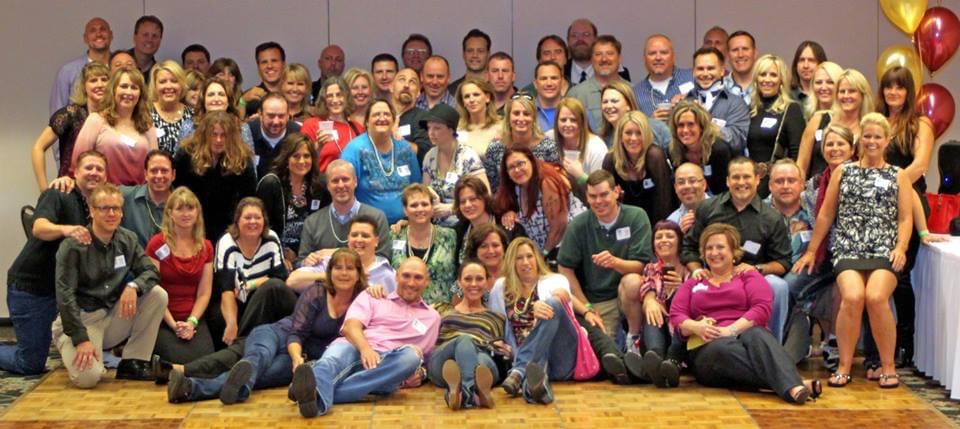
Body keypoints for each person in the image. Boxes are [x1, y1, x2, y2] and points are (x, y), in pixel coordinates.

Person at [794, 113, 912, 388]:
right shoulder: (843, 172)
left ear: (887, 140)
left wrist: (901, 247)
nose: (872, 141)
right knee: (853, 296)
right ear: (860, 140)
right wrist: (812, 250)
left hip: (884, 249)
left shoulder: (899, 175)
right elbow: (826, 214)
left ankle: (888, 366)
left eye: (877, 137)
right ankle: (844, 366)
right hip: (848, 247)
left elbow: (905, 218)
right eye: (867, 136)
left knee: (876, 297)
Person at [167, 248, 367, 404]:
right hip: (278, 335)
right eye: (338, 268)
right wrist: (296, 358)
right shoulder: (316, 292)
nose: (343, 273)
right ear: (329, 272)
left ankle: (190, 389)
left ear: (359, 274)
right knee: (257, 359)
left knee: (260, 376)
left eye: (350, 268)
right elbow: (296, 333)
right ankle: (232, 383)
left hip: (302, 357)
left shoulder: (363, 302)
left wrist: (300, 362)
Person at [671, 223, 821, 403]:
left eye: (720, 247)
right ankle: (794, 383)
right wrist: (696, 327)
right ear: (703, 253)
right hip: (708, 350)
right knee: (721, 348)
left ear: (733, 251)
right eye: (709, 248)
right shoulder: (694, 282)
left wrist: (730, 330)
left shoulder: (749, 276)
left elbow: (761, 309)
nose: (714, 252)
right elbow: (677, 315)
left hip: (746, 338)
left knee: (757, 333)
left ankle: (791, 387)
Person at [289, 257, 441, 418]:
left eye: (418, 277)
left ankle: (313, 387)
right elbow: (350, 327)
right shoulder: (374, 296)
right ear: (396, 276)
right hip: (355, 346)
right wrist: (365, 349)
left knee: (411, 357)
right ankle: (316, 395)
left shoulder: (432, 318)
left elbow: (425, 360)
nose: (411, 283)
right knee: (334, 359)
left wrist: (420, 374)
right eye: (406, 276)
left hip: (386, 366)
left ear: (427, 282)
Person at [1, 151, 106, 375]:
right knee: (30, 364)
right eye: (88, 167)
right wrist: (66, 229)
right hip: (32, 289)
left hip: (63, 292)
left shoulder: (97, 206)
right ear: (75, 172)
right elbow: (39, 228)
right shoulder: (59, 193)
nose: (94, 173)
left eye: (99, 169)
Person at [52, 183, 166, 388]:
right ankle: (66, 341)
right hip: (83, 320)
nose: (111, 214)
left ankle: (133, 362)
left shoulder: (127, 239)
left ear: (122, 212)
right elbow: (65, 296)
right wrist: (81, 339)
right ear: (92, 211)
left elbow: (151, 272)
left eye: (116, 208)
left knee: (157, 295)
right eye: (104, 208)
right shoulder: (72, 246)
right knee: (88, 379)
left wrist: (133, 286)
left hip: (113, 315)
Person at [681, 157, 793, 343]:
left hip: (752, 278)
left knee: (778, 286)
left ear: (757, 179)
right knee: (686, 285)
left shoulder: (772, 218)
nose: (741, 182)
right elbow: (689, 248)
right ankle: (682, 351)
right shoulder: (707, 209)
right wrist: (697, 270)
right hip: (712, 276)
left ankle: (772, 345)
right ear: (727, 181)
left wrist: (757, 269)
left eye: (746, 177)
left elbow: (784, 262)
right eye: (736, 177)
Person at [487, 238, 597, 404]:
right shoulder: (501, 287)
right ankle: (535, 387)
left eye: (529, 256)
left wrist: (540, 305)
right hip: (530, 358)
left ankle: (519, 370)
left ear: (537, 258)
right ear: (511, 262)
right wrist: (498, 343)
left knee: (553, 305)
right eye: (519, 258)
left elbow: (562, 296)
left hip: (561, 355)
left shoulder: (555, 280)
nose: (525, 262)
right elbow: (496, 323)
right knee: (537, 364)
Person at [877, 65, 935, 367]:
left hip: (909, 202)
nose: (893, 92)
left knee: (899, 275)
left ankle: (905, 343)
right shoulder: (876, 121)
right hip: (877, 205)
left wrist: (890, 186)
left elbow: (920, 165)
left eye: (899, 87)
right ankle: (878, 346)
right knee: (877, 273)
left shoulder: (920, 123)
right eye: (888, 86)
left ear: (909, 91)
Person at [558, 170, 654, 347]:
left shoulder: (636, 216)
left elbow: (642, 266)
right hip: (599, 299)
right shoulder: (578, 225)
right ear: (586, 197)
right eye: (593, 196)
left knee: (632, 282)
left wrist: (615, 262)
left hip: (632, 294)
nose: (598, 201)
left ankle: (634, 339)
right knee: (603, 349)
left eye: (604, 195)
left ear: (616, 192)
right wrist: (586, 307)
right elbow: (564, 268)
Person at [213, 198, 298, 348]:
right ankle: (240, 345)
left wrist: (251, 284)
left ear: (264, 220)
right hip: (236, 300)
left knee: (274, 287)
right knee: (220, 317)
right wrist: (232, 324)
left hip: (265, 298)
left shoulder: (271, 239)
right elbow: (227, 290)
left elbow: (280, 279)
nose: (253, 222)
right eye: (247, 217)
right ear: (237, 221)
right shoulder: (227, 243)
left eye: (257, 217)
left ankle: (241, 345)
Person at [146, 187, 215, 364]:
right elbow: (153, 290)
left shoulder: (206, 247)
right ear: (170, 213)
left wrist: (191, 322)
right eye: (180, 209)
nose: (186, 214)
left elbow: (204, 293)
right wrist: (173, 324)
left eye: (190, 208)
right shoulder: (156, 244)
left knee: (205, 361)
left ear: (197, 212)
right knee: (178, 360)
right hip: (162, 317)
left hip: (193, 317)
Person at [428, 259, 503, 410]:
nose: (473, 284)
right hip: (444, 363)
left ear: (487, 283)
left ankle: (459, 393)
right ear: (459, 283)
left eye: (479, 279)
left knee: (481, 362)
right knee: (464, 341)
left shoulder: (496, 318)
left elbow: (501, 350)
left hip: (482, 359)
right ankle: (472, 393)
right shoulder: (442, 310)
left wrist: (505, 349)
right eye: (468, 279)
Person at [173, 111, 257, 241]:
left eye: (224, 135)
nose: (218, 140)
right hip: (190, 223)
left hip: (228, 228)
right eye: (214, 134)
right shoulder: (186, 155)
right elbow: (177, 192)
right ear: (204, 134)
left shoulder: (243, 161)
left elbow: (247, 200)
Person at [71, 67, 158, 185]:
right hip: (103, 192)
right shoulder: (96, 120)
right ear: (113, 90)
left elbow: (154, 165)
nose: (128, 92)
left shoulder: (148, 127)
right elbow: (78, 162)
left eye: (134, 88)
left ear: (140, 94)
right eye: (124, 86)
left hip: (139, 194)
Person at [340, 99, 421, 224]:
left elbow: (416, 188)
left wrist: (411, 220)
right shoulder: (354, 150)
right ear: (367, 122)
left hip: (404, 224)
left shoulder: (405, 148)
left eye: (386, 114)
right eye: (376, 114)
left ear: (393, 121)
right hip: (367, 225)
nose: (382, 118)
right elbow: (344, 189)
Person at [257, 134, 330, 270]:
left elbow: (323, 226)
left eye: (306, 156)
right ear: (286, 158)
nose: (302, 161)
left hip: (308, 252)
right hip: (273, 252)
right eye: (296, 156)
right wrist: (280, 253)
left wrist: (301, 253)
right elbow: (262, 227)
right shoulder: (271, 184)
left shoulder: (320, 185)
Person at [297, 160, 392, 263]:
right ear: (328, 186)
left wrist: (337, 253)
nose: (341, 185)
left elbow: (384, 258)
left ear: (355, 182)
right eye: (335, 181)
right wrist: (306, 261)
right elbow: (300, 261)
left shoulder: (377, 218)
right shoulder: (312, 222)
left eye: (345, 179)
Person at [34, 62, 109, 190]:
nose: (100, 84)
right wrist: (44, 189)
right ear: (84, 86)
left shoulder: (115, 117)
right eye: (93, 80)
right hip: (70, 188)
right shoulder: (70, 114)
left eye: (104, 80)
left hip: (104, 189)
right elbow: (38, 147)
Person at [496, 148, 580, 254]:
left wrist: (544, 254)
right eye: (511, 167)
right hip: (541, 251)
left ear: (531, 162)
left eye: (520, 164)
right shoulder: (518, 188)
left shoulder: (547, 183)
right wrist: (510, 213)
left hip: (567, 247)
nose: (517, 170)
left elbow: (559, 227)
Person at [290, 215, 396, 294]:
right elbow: (292, 281)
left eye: (365, 236)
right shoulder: (330, 261)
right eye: (354, 235)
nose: (359, 240)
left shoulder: (388, 273)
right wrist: (332, 276)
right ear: (348, 239)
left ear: (376, 241)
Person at [797, 68, 874, 178]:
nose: (846, 96)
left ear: (862, 95)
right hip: (816, 186)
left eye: (851, 91)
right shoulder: (819, 119)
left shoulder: (868, 128)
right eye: (842, 91)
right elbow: (801, 165)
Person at [389, 184, 458, 305]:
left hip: (441, 309)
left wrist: (455, 303)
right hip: (400, 308)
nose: (420, 209)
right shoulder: (394, 235)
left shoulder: (450, 236)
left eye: (425, 204)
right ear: (405, 210)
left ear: (432, 208)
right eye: (414, 205)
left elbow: (460, 275)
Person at [747, 54, 805, 197]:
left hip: (779, 184)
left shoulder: (791, 109)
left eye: (773, 75)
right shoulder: (750, 110)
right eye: (763, 74)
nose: (767, 79)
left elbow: (797, 154)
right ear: (756, 79)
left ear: (781, 80)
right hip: (751, 183)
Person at [420, 104, 487, 226]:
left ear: (451, 130)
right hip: (437, 224)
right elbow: (425, 193)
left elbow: (485, 195)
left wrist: (452, 208)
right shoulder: (430, 156)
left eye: (437, 128)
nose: (431, 133)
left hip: (465, 221)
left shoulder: (467, 156)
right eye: (429, 128)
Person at [638, 220, 687, 387]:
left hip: (683, 333)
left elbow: (698, 301)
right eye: (658, 237)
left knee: (679, 310)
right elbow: (647, 290)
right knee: (652, 312)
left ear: (679, 241)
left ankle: (668, 365)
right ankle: (656, 361)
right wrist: (650, 301)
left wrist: (681, 288)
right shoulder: (651, 268)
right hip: (659, 328)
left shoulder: (691, 268)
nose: (663, 240)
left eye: (669, 236)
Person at [605, 111, 676, 223]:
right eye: (628, 133)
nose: (633, 138)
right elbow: (606, 200)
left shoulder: (655, 156)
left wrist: (658, 231)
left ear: (646, 135)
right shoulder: (610, 160)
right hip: (626, 223)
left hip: (656, 221)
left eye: (639, 133)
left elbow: (664, 201)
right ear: (620, 137)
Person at [482, 95, 561, 193]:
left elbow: (556, 184)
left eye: (526, 114)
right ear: (508, 117)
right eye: (516, 113)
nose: (521, 118)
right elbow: (491, 188)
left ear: (534, 117)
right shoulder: (495, 148)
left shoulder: (549, 147)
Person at [686, 47, 749, 154]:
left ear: (722, 71)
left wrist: (706, 124)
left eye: (710, 68)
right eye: (700, 69)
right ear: (693, 71)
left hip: (724, 162)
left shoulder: (736, 104)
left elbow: (738, 142)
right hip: (690, 161)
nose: (705, 73)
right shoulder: (685, 102)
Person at [668, 100, 734, 195]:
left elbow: (726, 191)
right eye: (681, 125)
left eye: (691, 124)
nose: (685, 130)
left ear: (702, 127)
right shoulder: (673, 151)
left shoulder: (719, 150)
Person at [452, 176, 525, 261]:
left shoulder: (510, 228)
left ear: (485, 199)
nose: (467, 205)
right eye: (462, 202)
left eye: (473, 199)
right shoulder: (458, 232)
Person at [49, 17, 112, 115]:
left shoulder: (120, 67)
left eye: (103, 29)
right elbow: (57, 114)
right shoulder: (68, 71)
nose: (98, 34)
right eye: (93, 31)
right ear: (85, 38)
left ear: (111, 35)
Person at [566, 35, 629, 131]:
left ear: (619, 58)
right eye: (598, 54)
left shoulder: (632, 91)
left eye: (610, 53)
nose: (604, 59)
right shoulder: (576, 94)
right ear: (591, 59)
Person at [301, 77, 363, 172]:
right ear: (324, 100)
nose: (335, 100)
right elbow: (302, 160)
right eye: (330, 96)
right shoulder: (311, 125)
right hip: (322, 179)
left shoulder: (357, 128)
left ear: (347, 97)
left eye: (339, 95)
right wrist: (318, 146)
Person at [634, 34, 695, 120]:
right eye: (652, 53)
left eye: (664, 53)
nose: (658, 58)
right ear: (644, 58)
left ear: (673, 57)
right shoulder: (635, 93)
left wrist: (690, 101)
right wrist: (651, 123)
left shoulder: (692, 77)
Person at [120, 150, 174, 245]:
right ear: (145, 174)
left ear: (173, 175)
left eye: (164, 171)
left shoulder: (184, 204)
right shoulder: (124, 196)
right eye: (154, 171)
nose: (159, 175)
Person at [597, 80, 672, 148]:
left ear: (628, 105)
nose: (609, 106)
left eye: (614, 101)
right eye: (605, 102)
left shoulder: (657, 128)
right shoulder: (602, 140)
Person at [551, 97, 607, 185]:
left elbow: (601, 188)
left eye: (573, 120)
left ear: (582, 122)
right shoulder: (549, 139)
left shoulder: (596, 147)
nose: (568, 124)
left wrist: (581, 176)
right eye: (563, 120)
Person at [249, 93, 303, 178]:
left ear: (288, 115)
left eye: (281, 116)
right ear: (260, 114)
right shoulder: (247, 132)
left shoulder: (298, 133)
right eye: (271, 116)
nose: (276, 122)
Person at [564, 18, 631, 85]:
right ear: (568, 40)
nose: (580, 39)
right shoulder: (562, 71)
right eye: (574, 35)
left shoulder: (620, 73)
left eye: (586, 34)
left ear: (595, 39)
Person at [149, 60, 194, 154]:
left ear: (181, 84)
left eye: (174, 81)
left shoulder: (193, 115)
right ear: (155, 86)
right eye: (162, 82)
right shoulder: (145, 114)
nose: (168, 86)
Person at [392, 68, 432, 165]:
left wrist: (394, 138)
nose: (406, 85)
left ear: (418, 92)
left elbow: (426, 153)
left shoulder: (424, 118)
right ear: (391, 87)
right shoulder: (381, 114)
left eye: (412, 82)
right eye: (402, 79)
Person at [454, 77, 502, 157]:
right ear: (463, 102)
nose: (471, 100)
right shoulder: (456, 129)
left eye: (476, 95)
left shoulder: (502, 127)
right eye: (467, 96)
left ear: (487, 97)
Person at [242, 42, 286, 114]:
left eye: (274, 61)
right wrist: (242, 101)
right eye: (264, 62)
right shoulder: (248, 97)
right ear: (258, 67)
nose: (269, 66)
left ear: (283, 64)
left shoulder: (295, 93)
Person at [667, 162, 709, 234]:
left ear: (704, 184)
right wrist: (679, 235)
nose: (687, 186)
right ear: (675, 188)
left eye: (692, 181)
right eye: (681, 182)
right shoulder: (672, 222)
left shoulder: (721, 211)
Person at [464, 224, 509, 288]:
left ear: (504, 248)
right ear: (475, 251)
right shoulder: (466, 277)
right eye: (484, 246)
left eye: (495, 245)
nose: (491, 251)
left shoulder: (517, 274)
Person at [448, 29, 491, 95]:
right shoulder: (451, 91)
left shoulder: (497, 88)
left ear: (488, 54)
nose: (475, 55)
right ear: (463, 54)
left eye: (480, 51)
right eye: (470, 51)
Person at [724, 31, 758, 105]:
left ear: (755, 53)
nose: (740, 55)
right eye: (735, 50)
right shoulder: (719, 89)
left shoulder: (766, 86)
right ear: (727, 56)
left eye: (745, 49)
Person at [789, 41, 827, 106]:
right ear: (796, 65)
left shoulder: (829, 95)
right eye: (801, 60)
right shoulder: (787, 96)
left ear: (821, 64)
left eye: (811, 60)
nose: (805, 65)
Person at [533, 61, 566, 132]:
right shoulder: (525, 111)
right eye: (544, 78)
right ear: (535, 84)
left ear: (562, 82)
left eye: (554, 78)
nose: (549, 83)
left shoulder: (576, 111)